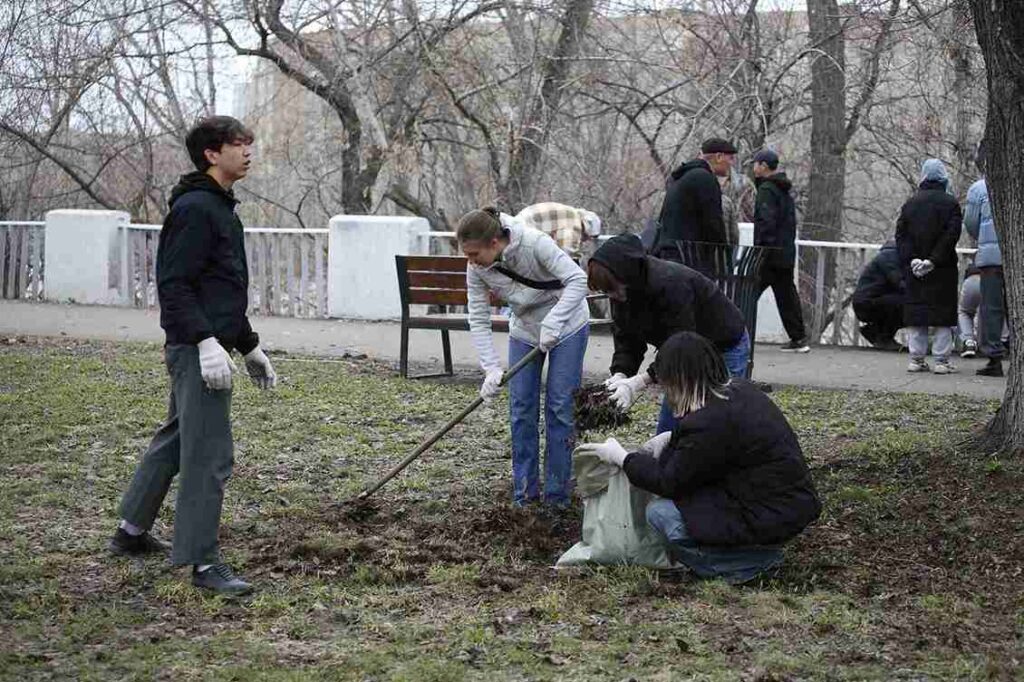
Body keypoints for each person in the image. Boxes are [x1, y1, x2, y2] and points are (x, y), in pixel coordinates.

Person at [109, 116, 276, 595]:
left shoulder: (220, 208)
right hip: (194, 347)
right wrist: (204, 343)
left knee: (178, 437)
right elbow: (175, 284)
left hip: (208, 344)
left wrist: (248, 346)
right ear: (211, 154)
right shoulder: (197, 209)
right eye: (239, 145)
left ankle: (131, 531)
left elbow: (220, 288)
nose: (248, 152)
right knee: (208, 454)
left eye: (249, 143)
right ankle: (203, 563)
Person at [578, 331, 821, 584]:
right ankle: (749, 551)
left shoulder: (707, 421)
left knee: (662, 513)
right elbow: (701, 456)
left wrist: (622, 458)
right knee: (684, 503)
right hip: (781, 504)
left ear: (681, 379)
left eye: (666, 384)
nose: (665, 392)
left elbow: (668, 482)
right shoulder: (736, 393)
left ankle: (745, 565)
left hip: (770, 512)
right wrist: (669, 440)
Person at [457, 207, 590, 508]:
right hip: (525, 329)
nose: (470, 261)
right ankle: (525, 500)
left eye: (474, 254)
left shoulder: (534, 243)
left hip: (567, 325)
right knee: (521, 411)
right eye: (466, 255)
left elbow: (578, 280)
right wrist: (490, 367)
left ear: (494, 243)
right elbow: (478, 318)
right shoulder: (476, 268)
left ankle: (557, 499)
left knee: (559, 408)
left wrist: (554, 322)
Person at [586, 233, 749, 435]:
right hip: (682, 349)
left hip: (723, 345)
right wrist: (621, 373)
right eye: (606, 291)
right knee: (670, 426)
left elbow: (682, 347)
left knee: (715, 420)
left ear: (628, 274)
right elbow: (627, 338)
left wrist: (639, 381)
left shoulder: (671, 285)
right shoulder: (622, 293)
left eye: (613, 289)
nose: (612, 296)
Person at [895, 159, 962, 374]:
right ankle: (941, 361)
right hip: (943, 268)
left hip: (915, 270)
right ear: (943, 177)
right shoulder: (951, 203)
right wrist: (933, 260)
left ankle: (916, 359)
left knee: (918, 311)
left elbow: (901, 235)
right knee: (943, 312)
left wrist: (913, 259)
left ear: (923, 176)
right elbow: (951, 235)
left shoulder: (910, 203)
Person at [751, 148, 810, 353]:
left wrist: (760, 250)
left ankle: (737, 335)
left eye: (755, 163)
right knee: (787, 296)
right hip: (785, 252)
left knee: (747, 293)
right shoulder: (783, 189)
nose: (753, 167)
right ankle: (799, 337)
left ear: (763, 166)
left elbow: (766, 222)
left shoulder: (767, 190)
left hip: (769, 255)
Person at [653, 137, 737, 259]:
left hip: (671, 253)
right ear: (718, 157)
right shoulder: (704, 178)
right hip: (688, 258)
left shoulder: (683, 176)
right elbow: (713, 223)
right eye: (730, 158)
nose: (732, 163)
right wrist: (723, 254)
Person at [963, 147, 1008, 377]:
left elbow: (970, 222)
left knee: (991, 307)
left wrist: (982, 237)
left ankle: (994, 358)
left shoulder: (979, 188)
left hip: (990, 258)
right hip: (1014, 257)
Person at [852, 240, 906, 351]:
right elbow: (899, 282)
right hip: (866, 304)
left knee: (904, 302)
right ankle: (884, 338)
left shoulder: (893, 255)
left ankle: (874, 332)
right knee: (907, 304)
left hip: (870, 301)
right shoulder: (890, 257)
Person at [514, 202, 602, 260]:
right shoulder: (574, 222)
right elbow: (567, 253)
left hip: (520, 227)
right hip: (525, 234)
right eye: (586, 237)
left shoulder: (569, 213)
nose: (584, 240)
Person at [958, 264, 1009, 359]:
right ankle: (1002, 341)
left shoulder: (981, 253)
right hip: (992, 281)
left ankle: (969, 342)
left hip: (971, 280)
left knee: (964, 311)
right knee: (997, 311)